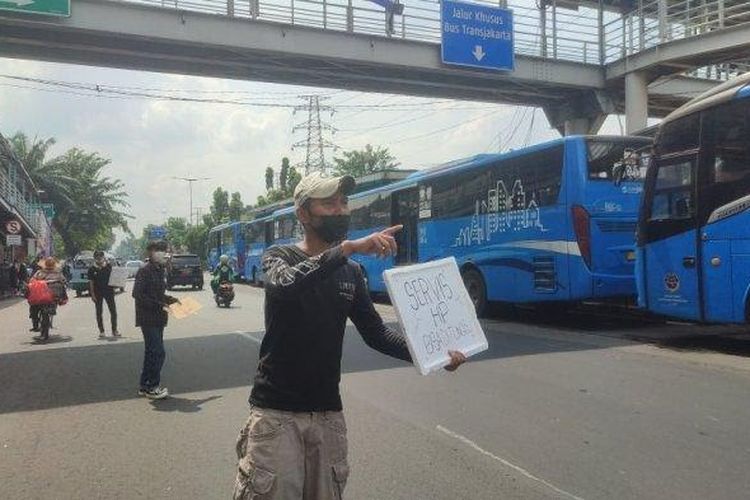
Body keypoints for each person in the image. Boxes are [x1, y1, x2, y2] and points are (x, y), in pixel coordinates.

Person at [232, 172, 466, 500]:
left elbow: (378, 334)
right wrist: (348, 248)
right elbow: (286, 285)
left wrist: (434, 354)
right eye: (328, 204)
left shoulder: (351, 273)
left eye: (343, 202)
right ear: (303, 214)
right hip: (277, 417)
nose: (340, 210)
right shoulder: (279, 257)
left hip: (328, 417)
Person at [132, 241, 179, 400]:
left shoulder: (159, 270)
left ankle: (144, 385)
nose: (162, 253)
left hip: (159, 317)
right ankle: (152, 387)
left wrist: (171, 299)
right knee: (158, 352)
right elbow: (138, 294)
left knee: (151, 352)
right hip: (148, 317)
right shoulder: (144, 271)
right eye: (158, 250)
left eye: (163, 250)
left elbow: (158, 293)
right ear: (150, 252)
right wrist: (159, 304)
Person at [29, 257, 68, 331]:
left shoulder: (39, 272)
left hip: (41, 297)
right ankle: (36, 324)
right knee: (34, 307)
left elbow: (32, 280)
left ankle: (35, 325)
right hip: (50, 297)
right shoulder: (57, 273)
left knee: (33, 307)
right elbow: (64, 281)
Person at [88, 250, 120, 339]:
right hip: (98, 293)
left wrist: (117, 286)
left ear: (103, 257)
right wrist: (92, 294)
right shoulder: (92, 269)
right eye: (97, 257)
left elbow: (114, 278)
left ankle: (114, 330)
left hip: (109, 291)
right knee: (99, 312)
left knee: (113, 311)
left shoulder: (108, 266)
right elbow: (91, 282)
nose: (99, 258)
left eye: (100, 256)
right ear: (94, 258)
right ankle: (101, 331)